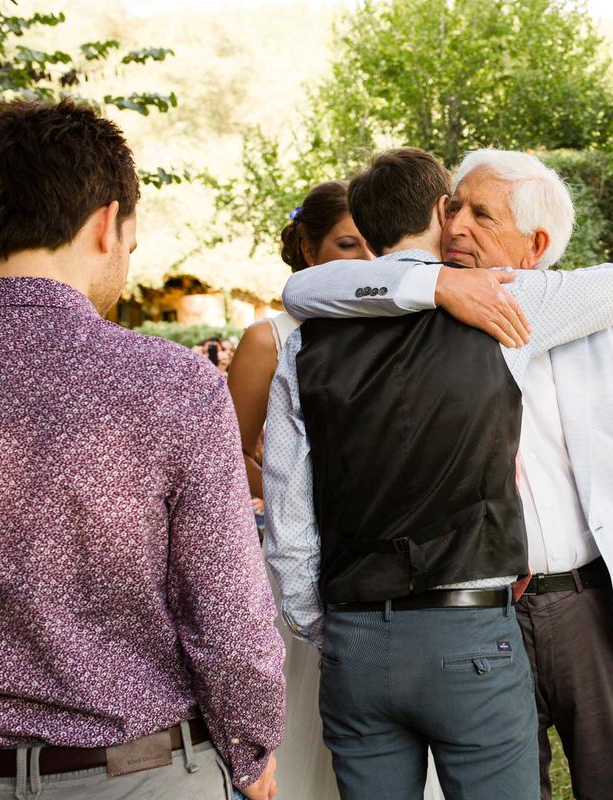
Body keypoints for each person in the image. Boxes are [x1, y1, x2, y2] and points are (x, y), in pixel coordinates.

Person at [283, 148, 613, 800]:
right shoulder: (410, 315)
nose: (456, 227)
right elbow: (303, 289)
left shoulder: (588, 320)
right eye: (454, 209)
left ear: (536, 245)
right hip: (479, 612)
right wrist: (436, 288)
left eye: (480, 214)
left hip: (586, 605)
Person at [0, 100, 285, 800]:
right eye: (131, 240)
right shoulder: (173, 384)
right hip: (140, 771)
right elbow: (229, 616)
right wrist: (253, 751)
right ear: (107, 223)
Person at [226, 180, 374, 800]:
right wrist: (299, 492)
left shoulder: (393, 326)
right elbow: (228, 456)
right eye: (347, 244)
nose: (366, 259)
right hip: (296, 560)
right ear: (309, 250)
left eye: (373, 243)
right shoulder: (271, 338)